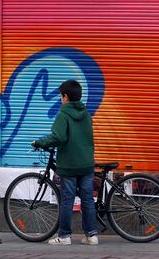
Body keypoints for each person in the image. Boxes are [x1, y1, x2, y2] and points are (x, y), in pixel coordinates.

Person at [32, 79, 99, 246]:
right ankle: (92, 236)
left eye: (61, 96)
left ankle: (64, 236)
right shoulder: (86, 114)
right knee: (87, 200)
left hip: (69, 165)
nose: (61, 99)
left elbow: (58, 137)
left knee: (67, 200)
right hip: (86, 164)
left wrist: (40, 142)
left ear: (66, 96)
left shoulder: (63, 114)